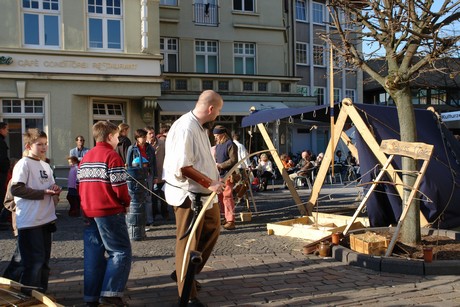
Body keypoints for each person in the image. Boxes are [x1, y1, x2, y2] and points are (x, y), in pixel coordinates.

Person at [163, 90, 225, 306]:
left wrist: (214, 180)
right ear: (211, 109)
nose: (218, 114)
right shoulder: (186, 127)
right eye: (218, 110)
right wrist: (210, 182)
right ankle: (187, 294)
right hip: (188, 195)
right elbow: (183, 166)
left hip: (205, 194)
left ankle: (186, 273)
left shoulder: (199, 127)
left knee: (213, 228)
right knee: (188, 243)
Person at [77, 121, 131, 307]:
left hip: (88, 211)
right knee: (120, 251)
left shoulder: (85, 157)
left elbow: (79, 185)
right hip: (108, 211)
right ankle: (111, 292)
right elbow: (120, 188)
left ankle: (91, 297)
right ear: (109, 137)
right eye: (117, 136)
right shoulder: (112, 156)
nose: (118, 140)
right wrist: (126, 203)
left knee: (93, 256)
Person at [11, 129, 61, 293]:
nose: (43, 147)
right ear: (28, 145)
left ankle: (40, 294)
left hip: (46, 219)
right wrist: (42, 193)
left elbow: (49, 186)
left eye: (45, 144)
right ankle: (28, 296)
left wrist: (54, 189)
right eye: (39, 144)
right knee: (34, 262)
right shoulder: (23, 164)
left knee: (44, 261)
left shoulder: (45, 165)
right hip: (29, 221)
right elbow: (16, 189)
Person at [126, 129, 158, 230]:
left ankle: (149, 220)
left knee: (148, 198)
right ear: (137, 138)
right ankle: (139, 220)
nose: (143, 139)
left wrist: (155, 176)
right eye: (141, 137)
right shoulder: (132, 148)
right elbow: (128, 164)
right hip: (136, 176)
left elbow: (154, 164)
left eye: (144, 137)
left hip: (148, 175)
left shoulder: (150, 148)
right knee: (137, 197)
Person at [213, 125, 238, 230]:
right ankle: (225, 216)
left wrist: (220, 165)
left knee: (227, 197)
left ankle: (231, 220)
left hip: (228, 174)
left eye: (217, 135)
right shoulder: (218, 145)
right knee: (220, 197)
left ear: (223, 134)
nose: (216, 138)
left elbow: (233, 160)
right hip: (219, 175)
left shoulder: (230, 144)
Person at [151, 124, 170, 221]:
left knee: (163, 195)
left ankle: (165, 213)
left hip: (162, 173)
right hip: (151, 175)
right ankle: (154, 213)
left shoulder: (162, 143)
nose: (151, 135)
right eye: (149, 133)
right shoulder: (145, 146)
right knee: (153, 197)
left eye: (153, 133)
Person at [0, 122, 10, 229]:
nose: (7, 131)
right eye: (6, 129)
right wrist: (5, 168)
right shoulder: (1, 142)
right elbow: (2, 159)